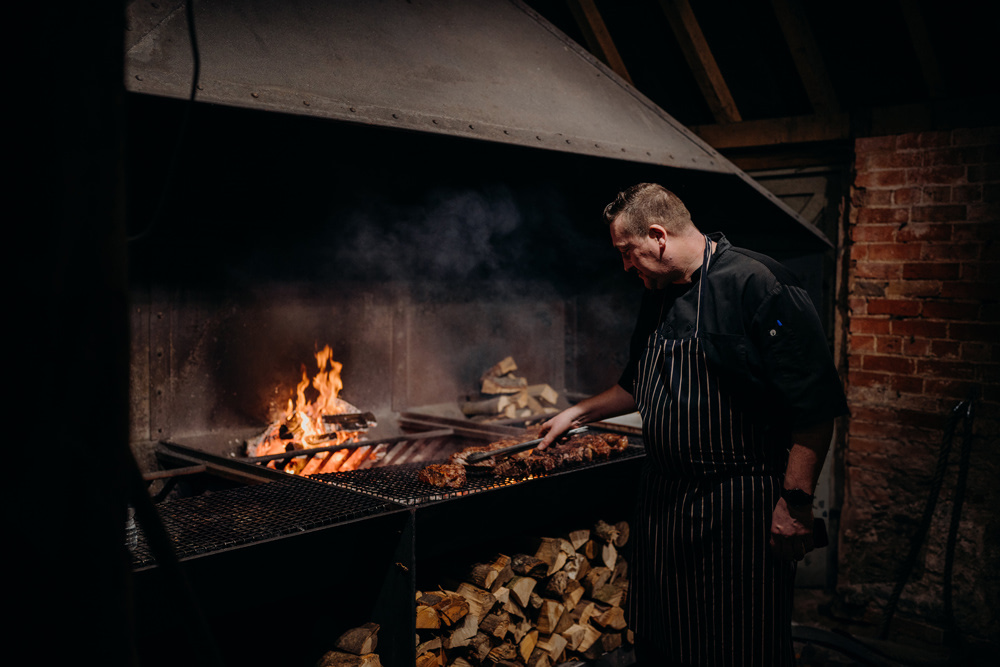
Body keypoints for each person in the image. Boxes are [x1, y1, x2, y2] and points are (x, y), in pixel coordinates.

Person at [537, 183, 848, 666]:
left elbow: (815, 406)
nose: (625, 266)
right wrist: (577, 412)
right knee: (665, 639)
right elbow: (637, 383)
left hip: (739, 505)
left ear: (658, 236)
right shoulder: (658, 291)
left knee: (739, 646)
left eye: (627, 252)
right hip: (665, 501)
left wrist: (797, 502)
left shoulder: (761, 284)